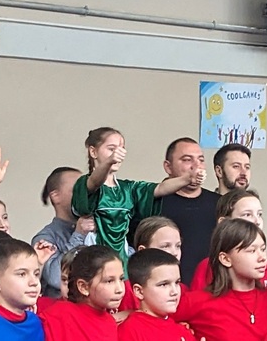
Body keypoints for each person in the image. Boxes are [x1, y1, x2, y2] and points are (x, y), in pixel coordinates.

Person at [71, 127, 192, 261]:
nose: (117, 154)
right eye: (111, 149)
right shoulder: (84, 183)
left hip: (122, 257)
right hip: (95, 257)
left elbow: (160, 188)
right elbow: (94, 182)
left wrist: (188, 178)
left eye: (121, 149)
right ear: (93, 152)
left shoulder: (128, 188)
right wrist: (109, 161)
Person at [29, 165, 94, 298]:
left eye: (85, 190)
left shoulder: (98, 228)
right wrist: (79, 235)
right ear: (55, 196)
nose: (84, 196)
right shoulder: (45, 237)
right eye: (77, 190)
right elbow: (55, 278)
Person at [158, 138, 218, 280]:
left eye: (201, 160)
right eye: (187, 160)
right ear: (168, 167)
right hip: (168, 285)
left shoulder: (219, 203)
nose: (196, 166)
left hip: (212, 286)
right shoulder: (154, 204)